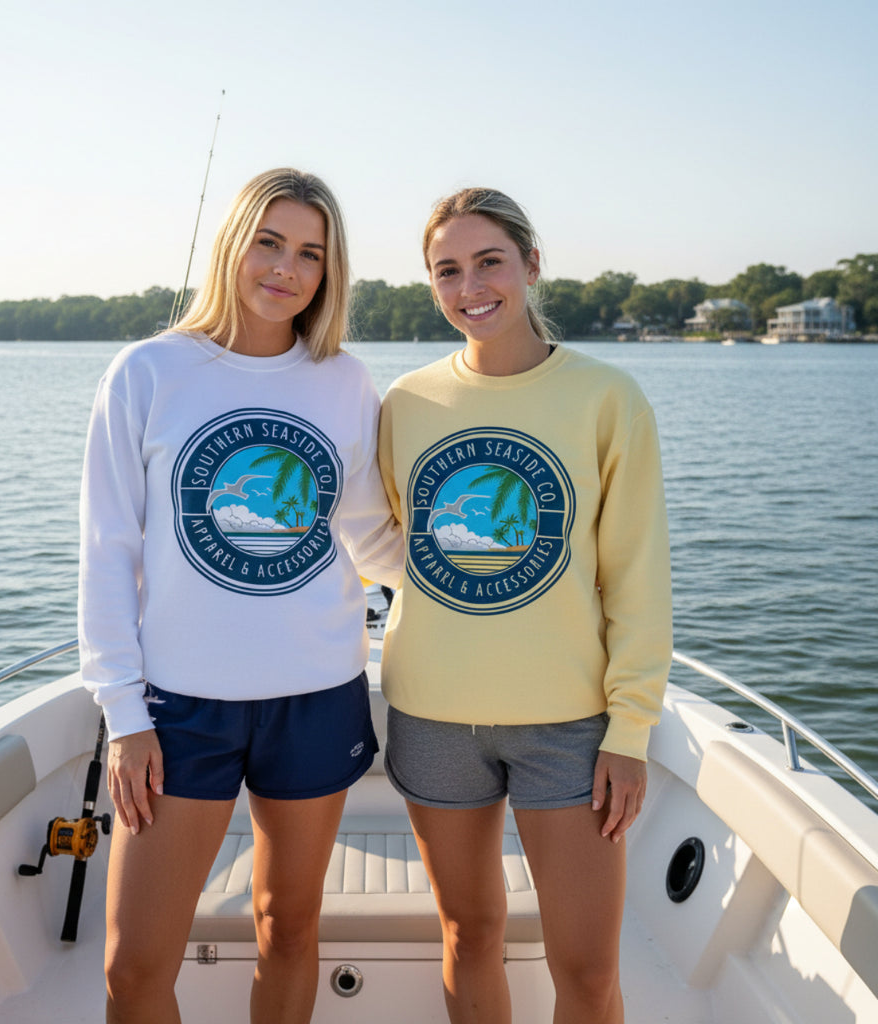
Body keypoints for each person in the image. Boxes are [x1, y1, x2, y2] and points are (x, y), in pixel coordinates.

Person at [78, 167, 403, 1024]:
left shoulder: (344, 381)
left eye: (310, 253)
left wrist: (486, 585)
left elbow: (368, 536)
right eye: (269, 242)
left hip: (318, 693)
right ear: (233, 244)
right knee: (133, 968)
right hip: (179, 709)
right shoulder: (147, 372)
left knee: (288, 928)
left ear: (329, 272)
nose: (286, 268)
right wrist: (123, 714)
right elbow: (107, 552)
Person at [377, 187, 672, 1024]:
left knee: (587, 971)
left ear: (532, 265)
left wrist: (630, 730)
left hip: (568, 725)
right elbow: (394, 544)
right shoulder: (405, 404)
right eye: (448, 270)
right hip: (432, 715)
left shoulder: (608, 399)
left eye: (490, 262)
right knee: (468, 933)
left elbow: (638, 578)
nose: (470, 286)